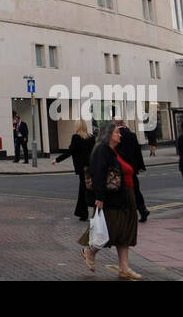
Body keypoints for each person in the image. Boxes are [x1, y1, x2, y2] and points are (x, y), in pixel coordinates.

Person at [79, 122, 142, 280]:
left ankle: (124, 268)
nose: (120, 135)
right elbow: (98, 174)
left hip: (127, 194)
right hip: (112, 198)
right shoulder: (101, 150)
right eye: (116, 133)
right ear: (108, 135)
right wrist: (99, 197)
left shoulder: (115, 151)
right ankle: (90, 251)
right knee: (110, 229)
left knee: (125, 232)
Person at [52, 123, 96, 220]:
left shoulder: (76, 137)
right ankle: (84, 212)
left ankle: (83, 213)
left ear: (77, 127)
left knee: (84, 190)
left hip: (82, 168)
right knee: (89, 188)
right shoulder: (92, 137)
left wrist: (57, 160)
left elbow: (70, 151)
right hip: (90, 167)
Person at [114, 118, 149, 222]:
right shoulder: (132, 135)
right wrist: (141, 166)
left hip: (121, 167)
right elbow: (138, 152)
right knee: (136, 190)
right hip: (132, 167)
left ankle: (127, 213)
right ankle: (143, 209)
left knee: (123, 191)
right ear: (123, 123)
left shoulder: (114, 136)